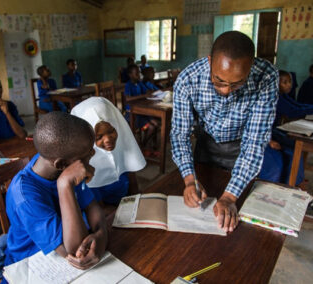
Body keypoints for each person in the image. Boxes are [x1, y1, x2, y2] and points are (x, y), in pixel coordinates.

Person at [170, 31, 279, 233]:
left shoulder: (266, 76)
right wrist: (189, 179)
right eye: (219, 81)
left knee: (233, 223)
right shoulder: (188, 80)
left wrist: (229, 197)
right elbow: (180, 134)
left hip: (241, 150)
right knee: (202, 209)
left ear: (251, 66)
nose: (226, 91)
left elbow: (254, 143)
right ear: (210, 61)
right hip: (205, 146)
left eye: (237, 83)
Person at [2, 112, 107, 283]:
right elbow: (74, 250)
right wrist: (64, 184)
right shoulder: (25, 195)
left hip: (61, 260)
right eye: (87, 152)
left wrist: (101, 234)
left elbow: (92, 207)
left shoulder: (61, 163)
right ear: (61, 165)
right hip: (30, 268)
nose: (93, 154)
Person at [71, 97, 146, 205]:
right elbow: (98, 210)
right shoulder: (87, 168)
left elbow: (133, 184)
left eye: (111, 131)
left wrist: (136, 203)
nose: (107, 140)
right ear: (88, 138)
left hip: (127, 206)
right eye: (99, 137)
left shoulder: (122, 147)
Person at [259, 70, 313, 184]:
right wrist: (269, 140)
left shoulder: (280, 95)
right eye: (285, 82)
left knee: (294, 148)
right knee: (284, 156)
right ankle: (290, 181)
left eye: (290, 82)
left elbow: (297, 106)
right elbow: (293, 111)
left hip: (272, 131)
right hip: (267, 133)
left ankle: (295, 181)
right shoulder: (272, 97)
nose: (289, 85)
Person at [124, 64, 159, 152]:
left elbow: (146, 91)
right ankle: (143, 145)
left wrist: (148, 91)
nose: (139, 75)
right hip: (132, 114)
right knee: (151, 127)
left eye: (139, 73)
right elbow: (127, 98)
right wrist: (143, 95)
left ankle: (143, 144)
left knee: (156, 123)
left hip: (142, 111)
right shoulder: (129, 85)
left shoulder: (139, 83)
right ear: (130, 75)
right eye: (136, 74)